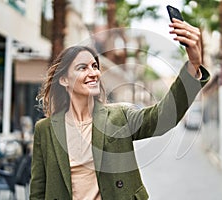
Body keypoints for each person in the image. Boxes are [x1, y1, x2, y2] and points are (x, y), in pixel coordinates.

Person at [30, 18, 210, 200]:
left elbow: (162, 118)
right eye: (82, 68)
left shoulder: (119, 117)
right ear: (64, 80)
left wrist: (193, 65)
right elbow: (38, 190)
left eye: (94, 66)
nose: (93, 73)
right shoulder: (45, 130)